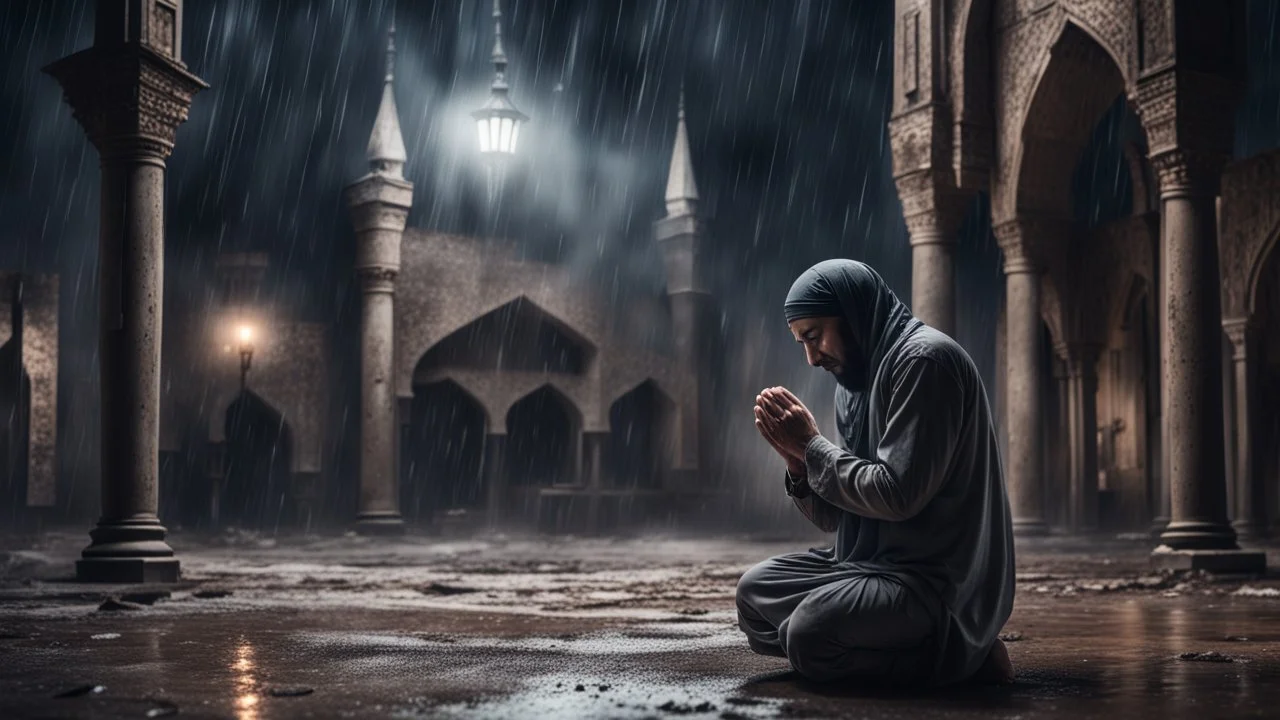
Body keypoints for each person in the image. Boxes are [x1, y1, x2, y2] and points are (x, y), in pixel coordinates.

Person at [737, 259, 1015, 687]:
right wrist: (800, 466)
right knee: (753, 595)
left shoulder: (926, 362)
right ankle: (878, 641)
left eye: (814, 337)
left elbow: (898, 496)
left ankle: (964, 653)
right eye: (801, 343)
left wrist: (813, 447)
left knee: (808, 634)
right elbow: (840, 517)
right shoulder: (853, 385)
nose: (811, 358)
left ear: (854, 312)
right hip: (864, 565)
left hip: (930, 579)